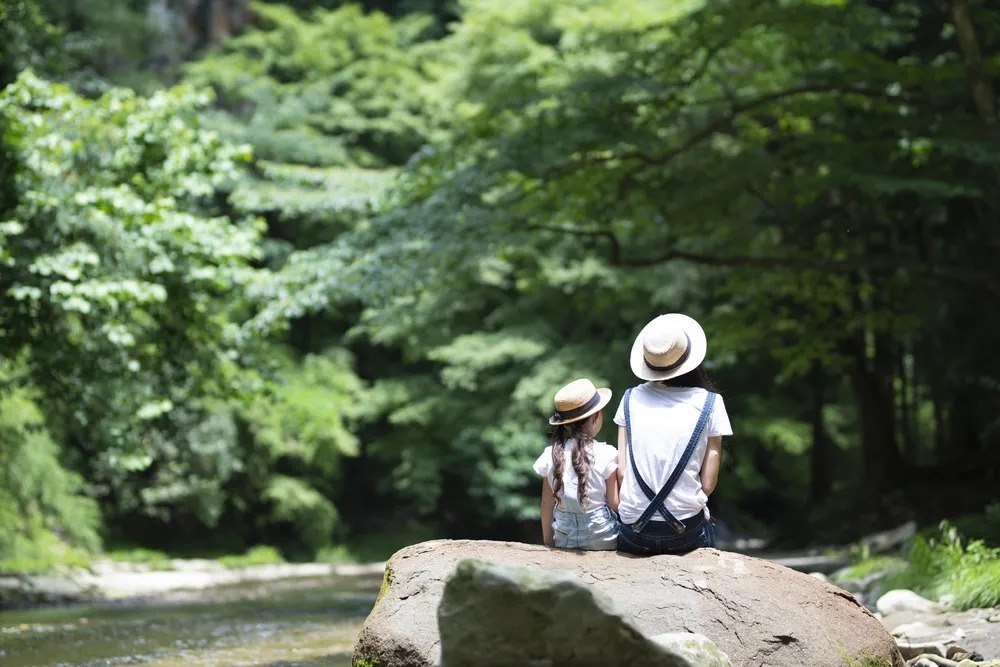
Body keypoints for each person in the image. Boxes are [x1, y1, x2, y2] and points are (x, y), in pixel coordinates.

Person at [614, 313, 733, 555]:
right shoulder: (711, 402)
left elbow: (623, 472)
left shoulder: (629, 398)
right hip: (685, 533)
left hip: (634, 533)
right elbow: (708, 484)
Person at [534, 378, 620, 550]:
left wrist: (549, 540)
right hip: (604, 538)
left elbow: (546, 503)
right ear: (597, 416)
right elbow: (614, 503)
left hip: (566, 539)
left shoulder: (550, 455)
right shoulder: (607, 454)